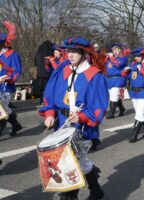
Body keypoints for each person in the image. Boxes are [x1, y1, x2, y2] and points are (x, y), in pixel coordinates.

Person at [39, 36, 108, 200]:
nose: (70, 55)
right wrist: (49, 114)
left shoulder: (94, 75)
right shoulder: (62, 70)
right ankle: (96, 188)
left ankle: (69, 195)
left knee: (70, 163)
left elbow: (98, 104)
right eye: (68, 51)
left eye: (74, 52)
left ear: (84, 53)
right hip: (62, 123)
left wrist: (83, 116)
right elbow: (50, 93)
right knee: (79, 162)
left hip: (81, 125)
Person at [122, 48, 144, 143]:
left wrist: (141, 70)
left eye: (139, 56)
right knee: (139, 112)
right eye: (136, 56)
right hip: (134, 92)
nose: (137, 58)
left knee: (139, 113)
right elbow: (128, 76)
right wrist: (125, 71)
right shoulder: (133, 65)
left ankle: (134, 135)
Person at [0, 20, 22, 137]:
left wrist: (8, 79)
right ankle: (15, 124)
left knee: (1, 110)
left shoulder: (11, 54)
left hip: (5, 87)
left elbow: (16, 71)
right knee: (5, 109)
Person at [105, 43, 128, 119]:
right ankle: (122, 109)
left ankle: (111, 113)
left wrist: (111, 57)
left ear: (120, 50)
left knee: (113, 96)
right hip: (109, 80)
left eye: (116, 49)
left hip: (118, 79)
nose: (115, 51)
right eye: (113, 50)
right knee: (113, 96)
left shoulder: (123, 58)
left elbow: (118, 64)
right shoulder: (109, 59)